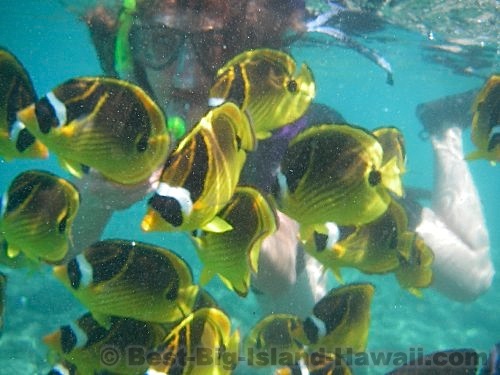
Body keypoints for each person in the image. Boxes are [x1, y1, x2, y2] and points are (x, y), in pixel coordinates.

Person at [64, 0, 492, 320]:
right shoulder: (122, 120)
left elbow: (283, 269)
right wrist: (96, 198)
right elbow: (64, 256)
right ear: (131, 48)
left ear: (239, 45)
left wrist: (195, 193)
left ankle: (442, 128)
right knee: (299, 319)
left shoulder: (271, 124)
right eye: (160, 41)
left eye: (210, 45)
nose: (185, 75)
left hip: (334, 176)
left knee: (473, 279)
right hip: (289, 221)